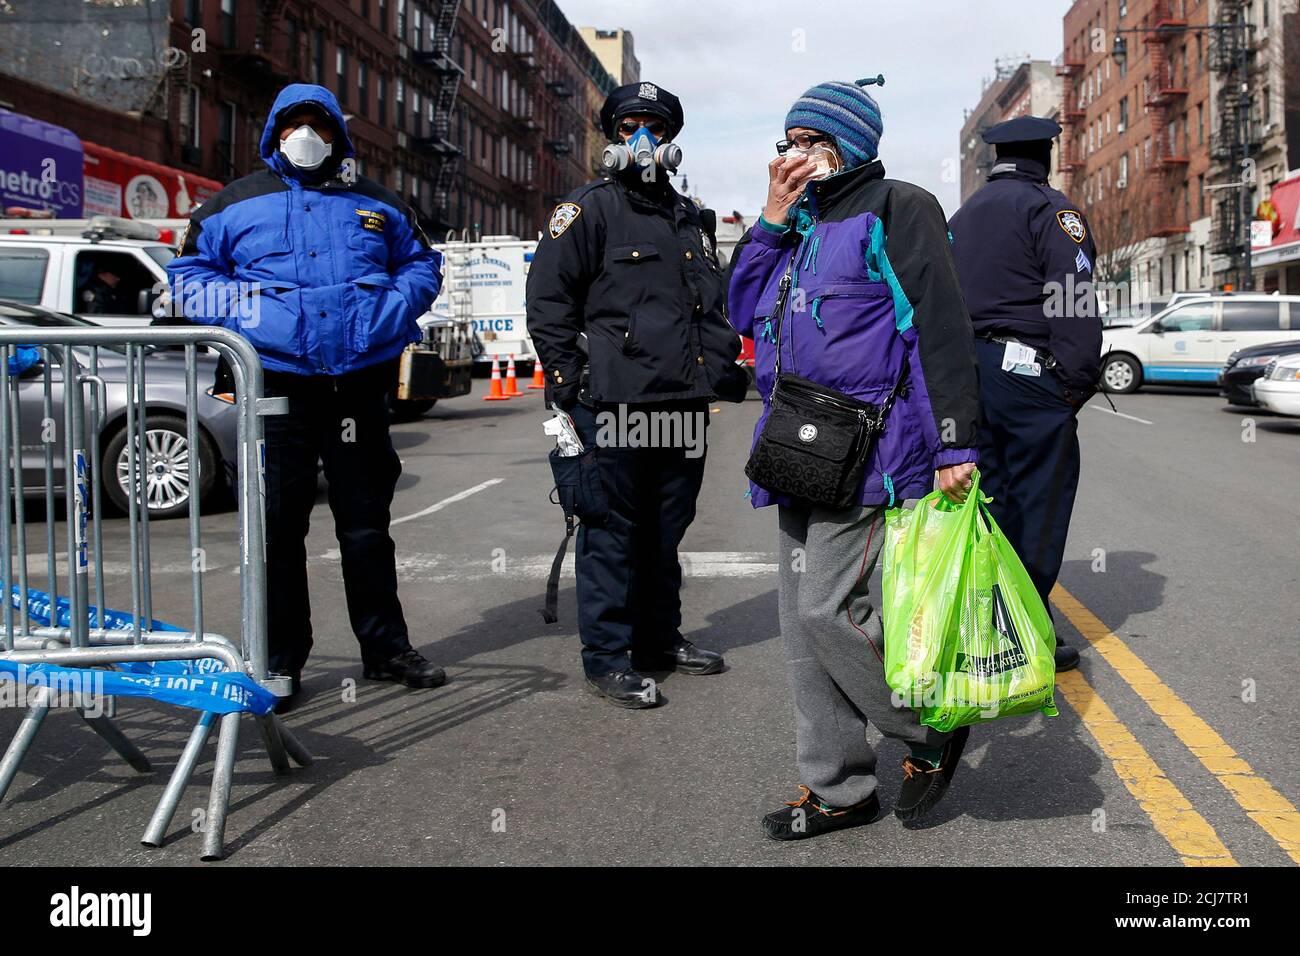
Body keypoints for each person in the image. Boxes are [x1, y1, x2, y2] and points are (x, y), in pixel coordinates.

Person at [727, 78, 982, 840]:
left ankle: (926, 727)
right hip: (796, 450)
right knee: (803, 634)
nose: (796, 155)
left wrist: (954, 442)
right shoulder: (796, 222)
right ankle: (838, 788)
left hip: (872, 452)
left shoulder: (899, 207)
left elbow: (938, 326)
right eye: (790, 142)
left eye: (811, 141)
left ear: (851, 143)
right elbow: (740, 311)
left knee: (826, 610)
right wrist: (770, 220)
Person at [166, 83, 446, 711]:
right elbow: (187, 274)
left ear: (336, 133)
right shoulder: (233, 205)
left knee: (366, 526)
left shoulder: (376, 203)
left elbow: (423, 264)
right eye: (294, 122)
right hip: (276, 385)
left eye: (317, 122)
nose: (306, 134)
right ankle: (279, 660)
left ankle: (386, 648)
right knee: (279, 529)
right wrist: (249, 314)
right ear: (273, 131)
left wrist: (393, 310)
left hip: (358, 384)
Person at [526, 81, 748, 710]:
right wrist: (572, 384)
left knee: (665, 530)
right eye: (629, 129)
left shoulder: (689, 218)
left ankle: (659, 638)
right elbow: (548, 303)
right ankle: (606, 656)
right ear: (613, 139)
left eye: (655, 128)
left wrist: (723, 367)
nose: (643, 140)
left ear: (672, 141)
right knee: (612, 531)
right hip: (615, 406)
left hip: (680, 405)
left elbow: (708, 306)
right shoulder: (589, 209)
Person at [947, 116, 1102, 673]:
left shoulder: (962, 216)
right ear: (1047, 154)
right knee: (1038, 502)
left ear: (995, 158)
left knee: (988, 502)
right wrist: (1076, 381)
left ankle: (980, 621)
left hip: (968, 370)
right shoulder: (1050, 209)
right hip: (1028, 372)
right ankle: (1024, 627)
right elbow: (1072, 295)